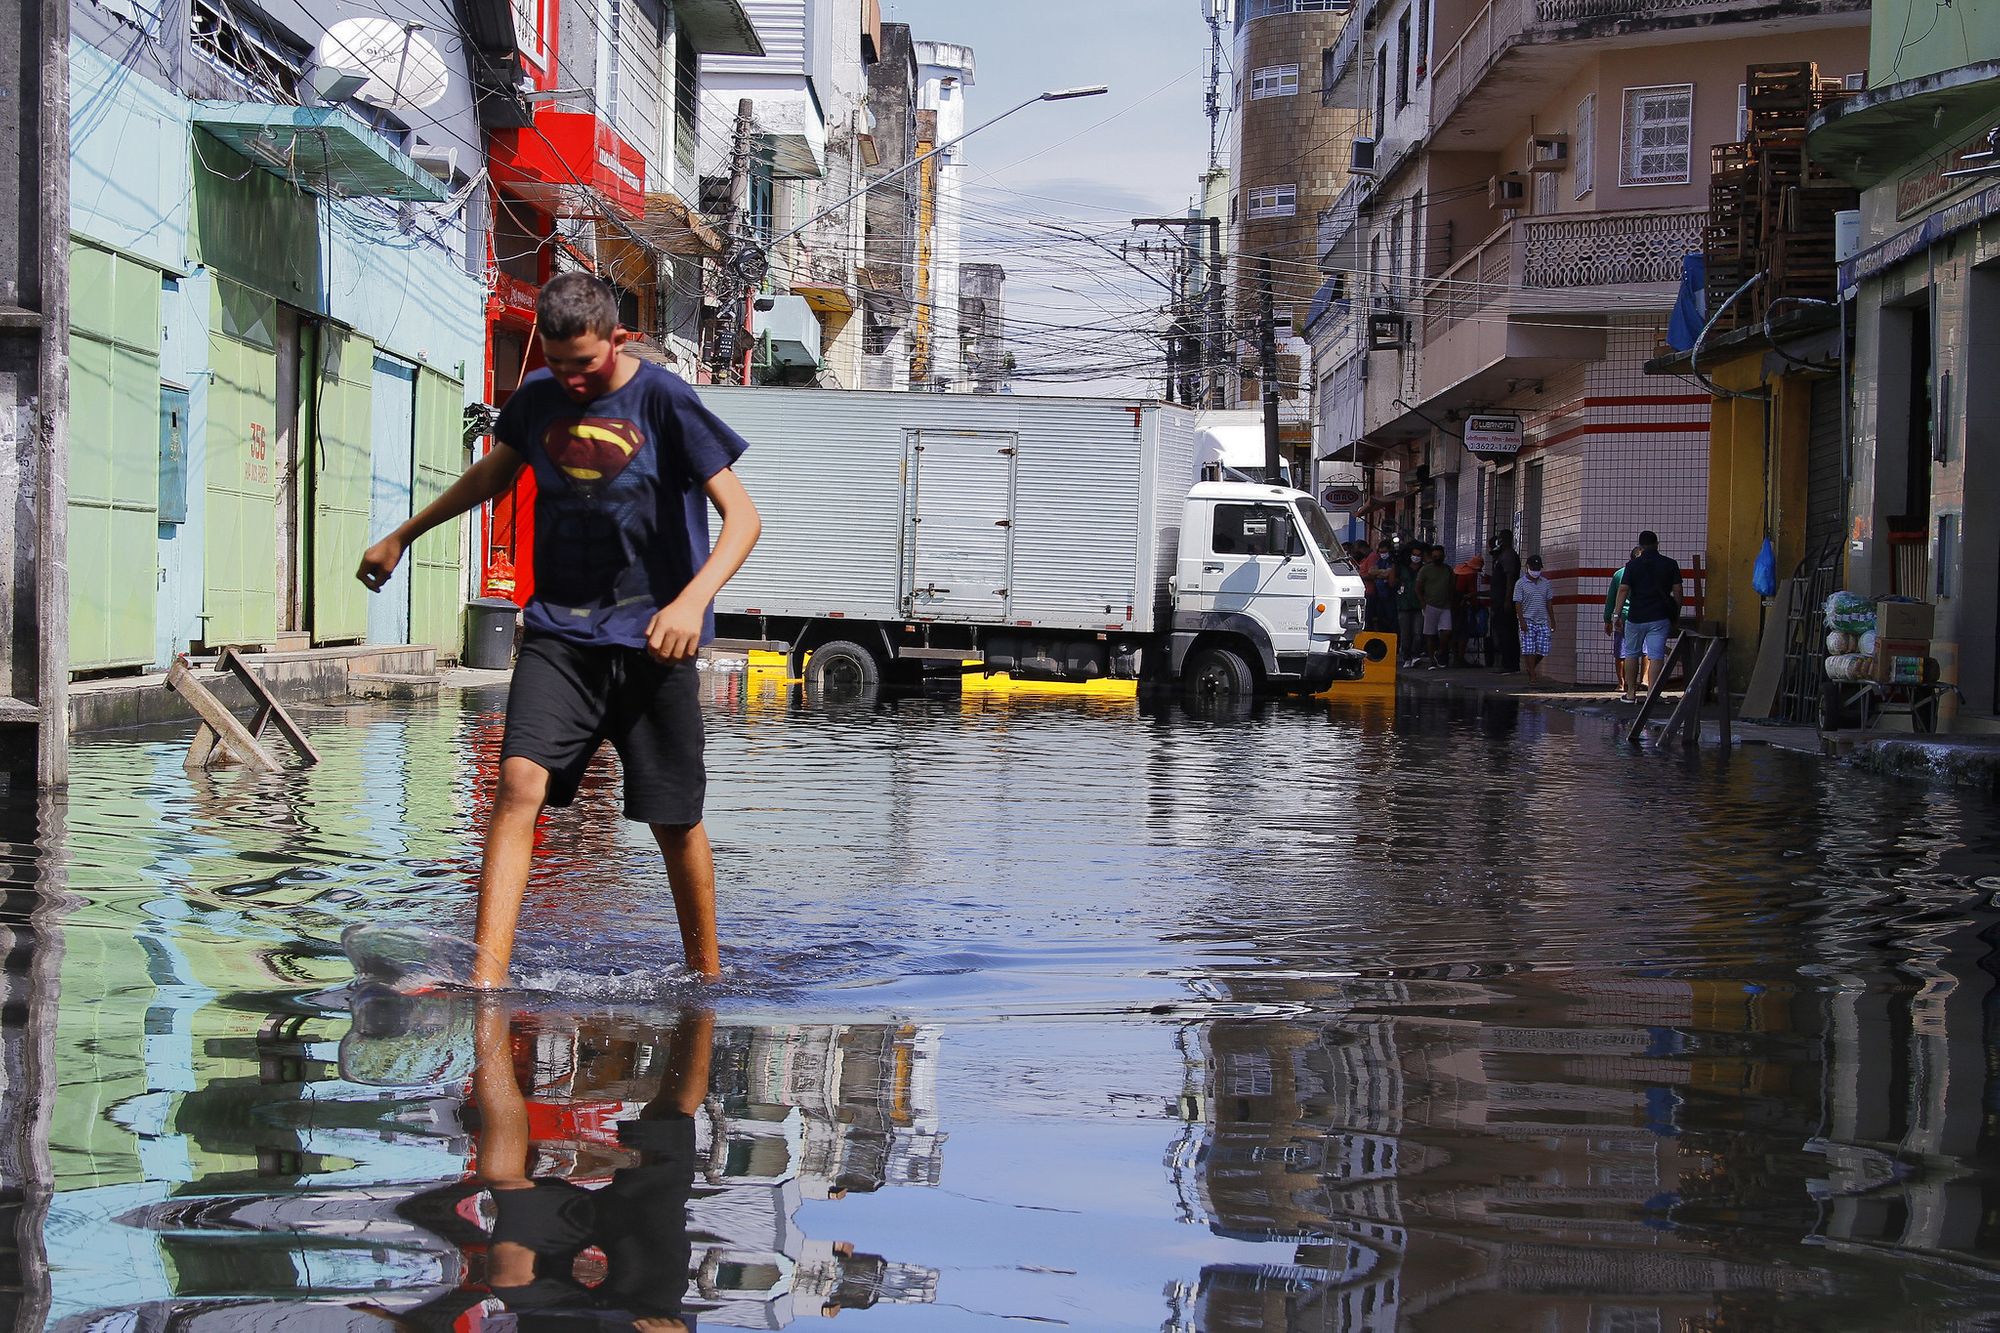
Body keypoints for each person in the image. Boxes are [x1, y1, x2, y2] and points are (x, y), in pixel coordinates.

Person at [356, 272, 761, 987]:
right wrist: (402, 534)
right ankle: (487, 978)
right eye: (558, 363)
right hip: (559, 638)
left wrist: (691, 603)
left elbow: (744, 517)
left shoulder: (664, 400)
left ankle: (710, 974)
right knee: (516, 786)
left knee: (673, 820)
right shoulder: (540, 397)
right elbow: (492, 478)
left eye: (587, 365)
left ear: (619, 339)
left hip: (653, 644)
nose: (572, 380)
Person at [1616, 530, 1682, 702]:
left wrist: (1616, 614)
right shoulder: (1670, 564)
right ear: (1657, 544)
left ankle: (1630, 693)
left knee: (1631, 654)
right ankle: (1652, 693)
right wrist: (1676, 611)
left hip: (1636, 616)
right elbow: (1677, 590)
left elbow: (1623, 589)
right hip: (1660, 616)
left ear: (1640, 547)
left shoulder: (1632, 566)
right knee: (1656, 655)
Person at [1603, 545, 1640, 695]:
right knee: (1643, 651)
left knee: (1621, 651)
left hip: (1622, 617)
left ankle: (1621, 683)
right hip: (1640, 616)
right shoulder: (1645, 574)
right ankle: (1643, 680)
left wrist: (1609, 619)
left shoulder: (1619, 574)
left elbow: (1611, 598)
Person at [1514, 554, 1555, 684]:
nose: (1536, 570)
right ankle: (1532, 675)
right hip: (1528, 620)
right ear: (1527, 567)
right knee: (1529, 648)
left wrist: (1552, 620)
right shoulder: (1520, 584)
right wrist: (1522, 621)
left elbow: (1549, 603)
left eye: (1538, 568)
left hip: (1542, 621)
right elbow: (1518, 604)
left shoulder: (1546, 584)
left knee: (1543, 649)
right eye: (1534, 567)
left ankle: (1530, 667)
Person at [1415, 544, 1455, 669]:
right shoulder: (1425, 570)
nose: (1437, 558)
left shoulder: (1448, 570)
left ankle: (1440, 652)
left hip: (1445, 605)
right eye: (1435, 556)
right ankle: (1433, 660)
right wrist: (1423, 603)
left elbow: (1452, 586)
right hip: (1430, 605)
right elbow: (1418, 587)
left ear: (1443, 556)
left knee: (1447, 631)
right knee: (1430, 634)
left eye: (1439, 556)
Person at [1489, 530, 1523, 673]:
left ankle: (1509, 664)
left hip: (1504, 600)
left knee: (1507, 632)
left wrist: (1508, 600)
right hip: (1500, 599)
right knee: (1504, 631)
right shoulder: (1503, 555)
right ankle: (1508, 663)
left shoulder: (1508, 556)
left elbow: (1509, 580)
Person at [1395, 545, 1423, 667]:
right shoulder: (1402, 569)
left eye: (1418, 555)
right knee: (1405, 633)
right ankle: (1406, 657)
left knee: (1418, 632)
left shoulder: (1423, 569)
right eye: (1414, 554)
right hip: (1404, 605)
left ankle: (1415, 655)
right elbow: (1392, 582)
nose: (1416, 557)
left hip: (1419, 605)